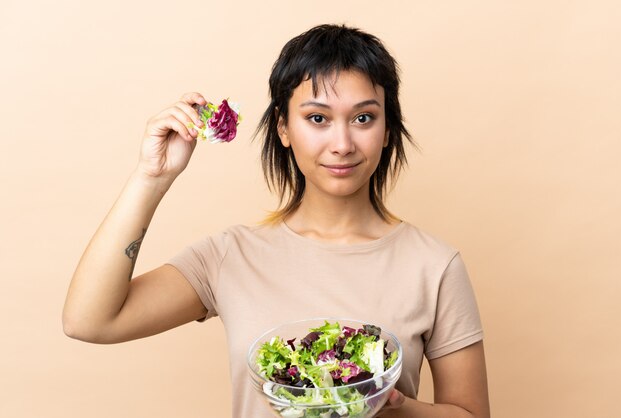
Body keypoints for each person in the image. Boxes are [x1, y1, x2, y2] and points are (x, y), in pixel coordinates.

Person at [63, 24, 490, 418]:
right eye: (317, 118)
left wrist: (391, 403)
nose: (342, 144)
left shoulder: (434, 265)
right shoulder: (231, 255)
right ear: (284, 127)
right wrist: (152, 177)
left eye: (363, 118)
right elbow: (89, 320)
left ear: (387, 127)